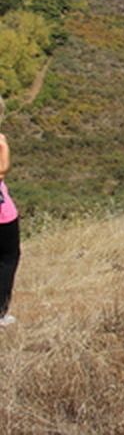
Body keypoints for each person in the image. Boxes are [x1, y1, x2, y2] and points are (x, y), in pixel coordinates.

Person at [0, 97, 20, 327]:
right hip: (2, 215)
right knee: (7, 259)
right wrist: (3, 146)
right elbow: (2, 171)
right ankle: (1, 313)